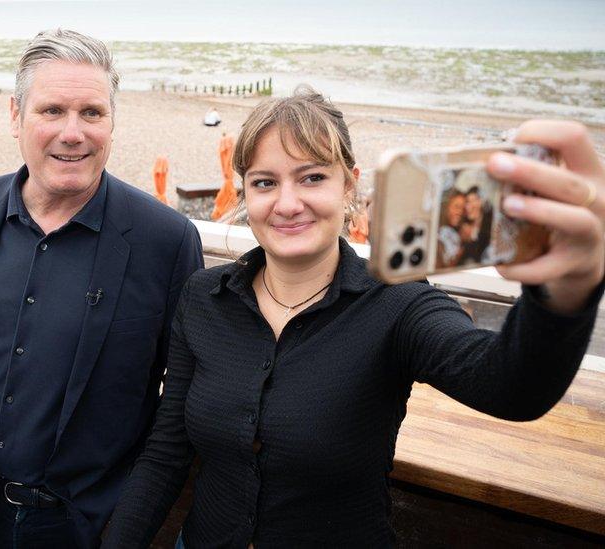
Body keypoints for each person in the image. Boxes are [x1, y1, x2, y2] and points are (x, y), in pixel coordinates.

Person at [103, 87, 604, 547]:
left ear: (350, 187)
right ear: (246, 196)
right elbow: (166, 453)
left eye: (313, 177)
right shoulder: (204, 297)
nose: (288, 203)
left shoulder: (398, 303)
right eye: (264, 182)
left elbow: (509, 386)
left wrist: (560, 293)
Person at [0, 29, 204, 549]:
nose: (73, 133)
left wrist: (125, 531)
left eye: (92, 113)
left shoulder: (166, 240)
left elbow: (180, 403)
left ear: (112, 122)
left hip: (91, 528)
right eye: (51, 110)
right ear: (15, 116)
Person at [459, 185, 494, 264]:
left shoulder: (490, 227)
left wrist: (472, 235)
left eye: (474, 200)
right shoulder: (463, 228)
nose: (469, 207)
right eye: (467, 202)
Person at [438, 189, 466, 267]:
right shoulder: (437, 234)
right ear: (447, 207)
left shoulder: (461, 236)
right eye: (456, 207)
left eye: (463, 209)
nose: (460, 212)